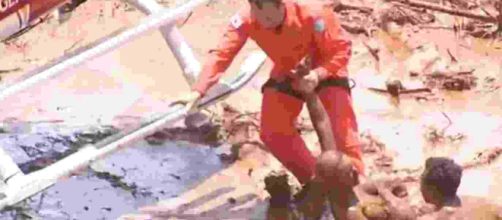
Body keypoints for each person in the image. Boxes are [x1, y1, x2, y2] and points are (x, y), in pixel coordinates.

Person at [176, 0, 364, 218]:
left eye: (267, 17)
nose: (261, 22)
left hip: (326, 68)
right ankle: (315, 185)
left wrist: (317, 75)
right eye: (256, 13)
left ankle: (352, 186)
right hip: (288, 69)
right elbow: (221, 54)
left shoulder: (314, 13)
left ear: (281, 5)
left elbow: (341, 50)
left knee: (342, 134)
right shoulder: (247, 17)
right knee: (272, 132)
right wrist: (197, 91)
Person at [352, 157, 502, 220]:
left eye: (421, 180)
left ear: (431, 190)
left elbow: (401, 214)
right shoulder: (484, 204)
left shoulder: (433, 218)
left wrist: (383, 190)